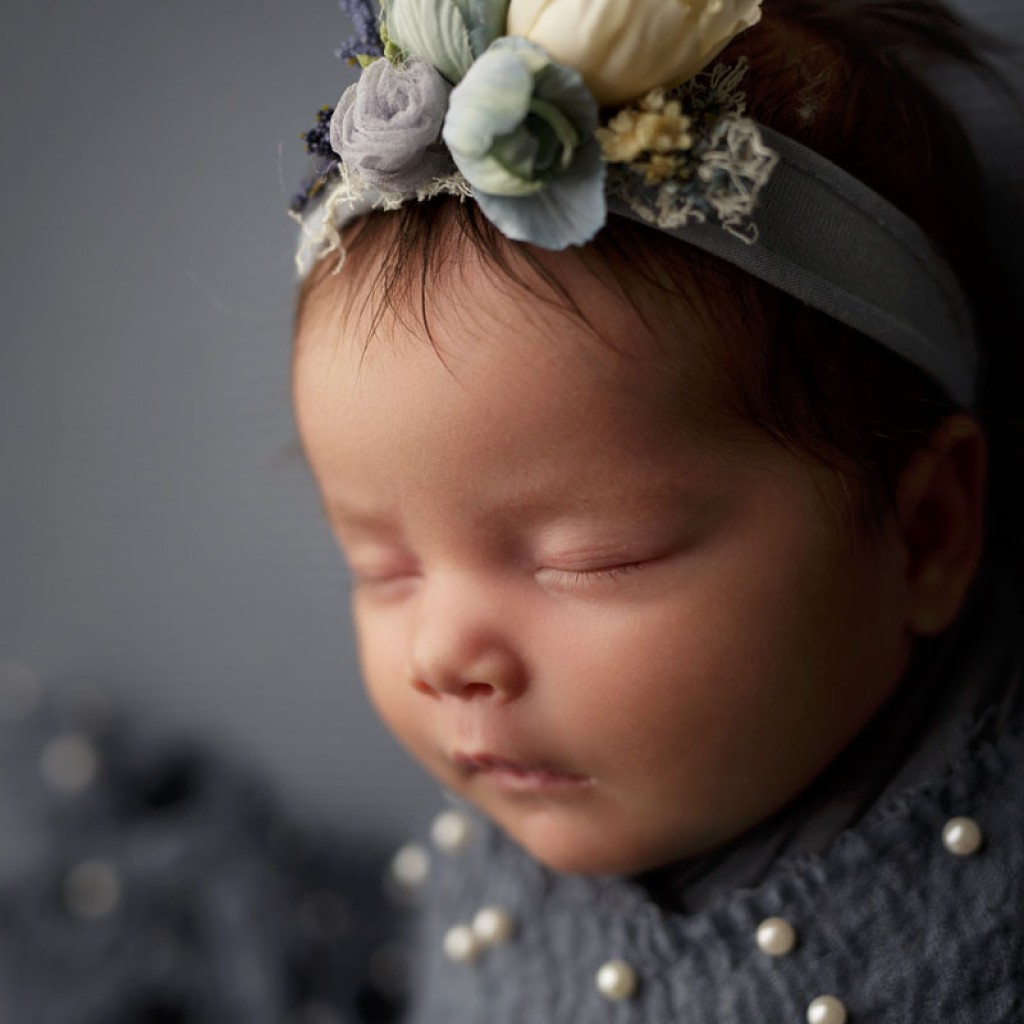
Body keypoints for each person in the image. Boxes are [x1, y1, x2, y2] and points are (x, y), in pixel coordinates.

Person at [289, 0, 1023, 1019]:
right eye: (380, 567)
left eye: (590, 559)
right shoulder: (491, 848)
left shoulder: (974, 938)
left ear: (925, 531)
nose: (441, 653)